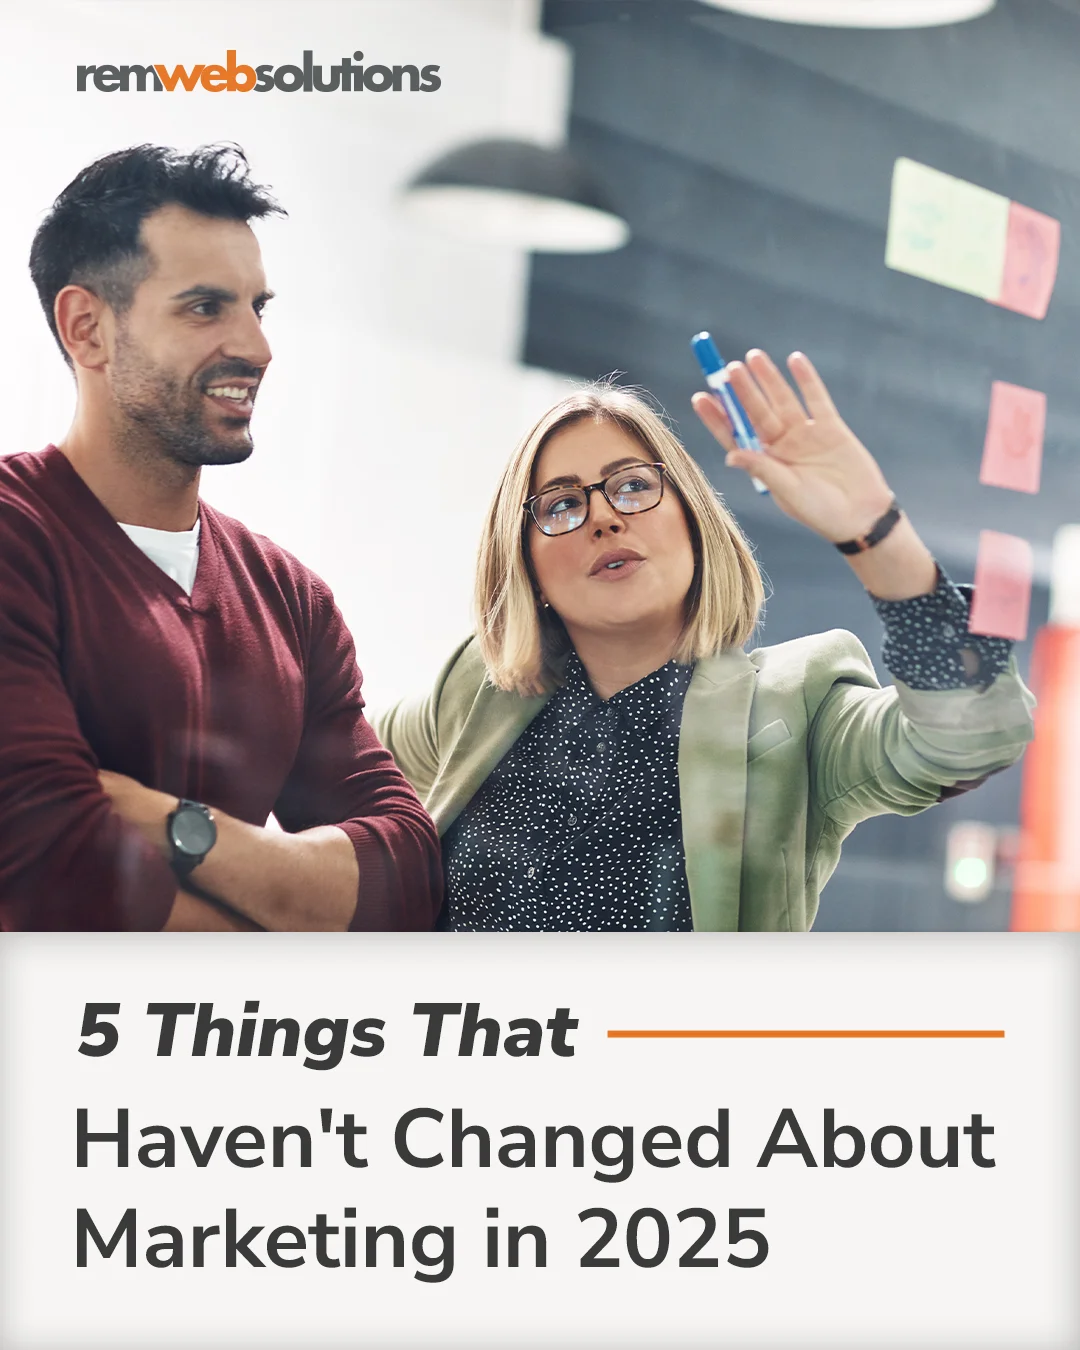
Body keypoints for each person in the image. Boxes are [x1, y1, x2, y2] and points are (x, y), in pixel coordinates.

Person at [375, 352, 1035, 931]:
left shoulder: (794, 707)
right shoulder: (479, 691)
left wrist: (875, 532)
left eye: (633, 485)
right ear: (527, 565)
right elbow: (334, 756)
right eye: (561, 505)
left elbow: (970, 738)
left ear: (693, 521)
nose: (602, 516)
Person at [0, 143, 441, 932]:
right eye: (205, 308)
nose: (257, 348)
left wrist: (174, 827)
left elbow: (407, 878)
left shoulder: (292, 601)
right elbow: (53, 865)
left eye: (257, 308)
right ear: (87, 328)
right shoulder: (15, 539)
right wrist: (300, 915)